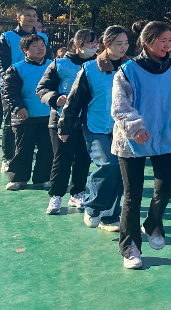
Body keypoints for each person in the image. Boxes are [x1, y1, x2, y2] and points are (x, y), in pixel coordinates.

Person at [111, 21, 171, 269]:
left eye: (169, 40)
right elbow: (120, 106)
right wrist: (135, 128)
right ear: (148, 42)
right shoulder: (128, 70)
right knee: (132, 196)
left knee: (165, 188)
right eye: (162, 40)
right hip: (132, 140)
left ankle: (153, 223)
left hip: (164, 137)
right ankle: (130, 247)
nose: (167, 45)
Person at [59, 25, 129, 231]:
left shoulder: (131, 67)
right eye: (119, 43)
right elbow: (74, 100)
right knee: (108, 164)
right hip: (96, 126)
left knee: (121, 170)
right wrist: (65, 126)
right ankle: (93, 206)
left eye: (126, 43)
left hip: (123, 127)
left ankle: (110, 215)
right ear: (106, 44)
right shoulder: (90, 69)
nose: (124, 47)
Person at [36, 29, 98, 215]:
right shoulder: (60, 64)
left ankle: (78, 192)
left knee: (83, 159)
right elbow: (42, 88)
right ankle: (56, 195)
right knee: (62, 158)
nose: (94, 47)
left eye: (95, 43)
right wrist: (55, 98)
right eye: (90, 43)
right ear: (78, 44)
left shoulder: (98, 64)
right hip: (62, 120)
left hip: (89, 120)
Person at [1, 5, 51, 171]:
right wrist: (8, 82)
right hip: (15, 84)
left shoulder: (43, 37)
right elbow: (3, 63)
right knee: (11, 122)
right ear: (18, 18)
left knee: (41, 124)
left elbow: (49, 62)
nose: (32, 18)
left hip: (38, 87)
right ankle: (8, 157)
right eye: (27, 15)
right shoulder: (7, 37)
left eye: (34, 15)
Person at [3, 34, 53, 190]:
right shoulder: (16, 68)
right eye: (35, 46)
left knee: (47, 149)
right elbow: (10, 91)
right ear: (25, 50)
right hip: (25, 117)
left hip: (48, 116)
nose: (40, 49)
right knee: (23, 149)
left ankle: (42, 178)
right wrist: (18, 107)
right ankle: (18, 178)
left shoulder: (53, 66)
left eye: (42, 45)